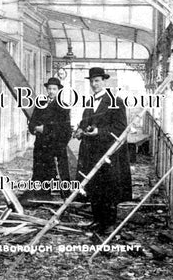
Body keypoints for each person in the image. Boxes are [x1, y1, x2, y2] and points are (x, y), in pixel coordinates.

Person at [74, 67, 132, 233]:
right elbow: (85, 121)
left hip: (108, 152)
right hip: (90, 150)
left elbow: (120, 127)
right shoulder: (90, 101)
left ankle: (108, 223)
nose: (94, 84)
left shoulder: (116, 101)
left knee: (108, 187)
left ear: (104, 81)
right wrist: (80, 129)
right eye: (92, 81)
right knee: (93, 185)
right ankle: (97, 219)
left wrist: (98, 131)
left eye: (97, 81)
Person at [26, 77, 71, 199]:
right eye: (49, 88)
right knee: (40, 171)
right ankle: (41, 196)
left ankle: (64, 196)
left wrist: (44, 129)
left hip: (55, 146)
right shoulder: (40, 104)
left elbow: (65, 130)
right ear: (46, 89)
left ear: (58, 90)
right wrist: (34, 128)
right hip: (41, 145)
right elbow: (31, 123)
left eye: (54, 89)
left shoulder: (63, 107)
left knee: (57, 171)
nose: (51, 91)